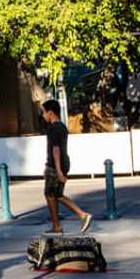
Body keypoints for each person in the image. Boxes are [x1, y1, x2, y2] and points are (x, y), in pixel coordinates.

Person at [41, 99, 93, 235]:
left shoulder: (52, 128)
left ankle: (80, 215)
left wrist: (57, 170)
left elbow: (56, 149)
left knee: (53, 194)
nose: (43, 115)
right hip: (63, 163)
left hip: (55, 165)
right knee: (53, 194)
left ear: (50, 113)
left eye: (44, 112)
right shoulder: (62, 127)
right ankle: (57, 226)